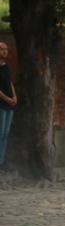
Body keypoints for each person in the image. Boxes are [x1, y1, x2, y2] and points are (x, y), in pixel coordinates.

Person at [0, 42, 16, 171]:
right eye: (2, 49)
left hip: (10, 104)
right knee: (0, 133)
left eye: (6, 49)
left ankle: (2, 160)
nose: (5, 52)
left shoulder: (6, 67)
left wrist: (14, 96)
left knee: (5, 133)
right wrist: (7, 98)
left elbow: (10, 83)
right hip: (1, 104)